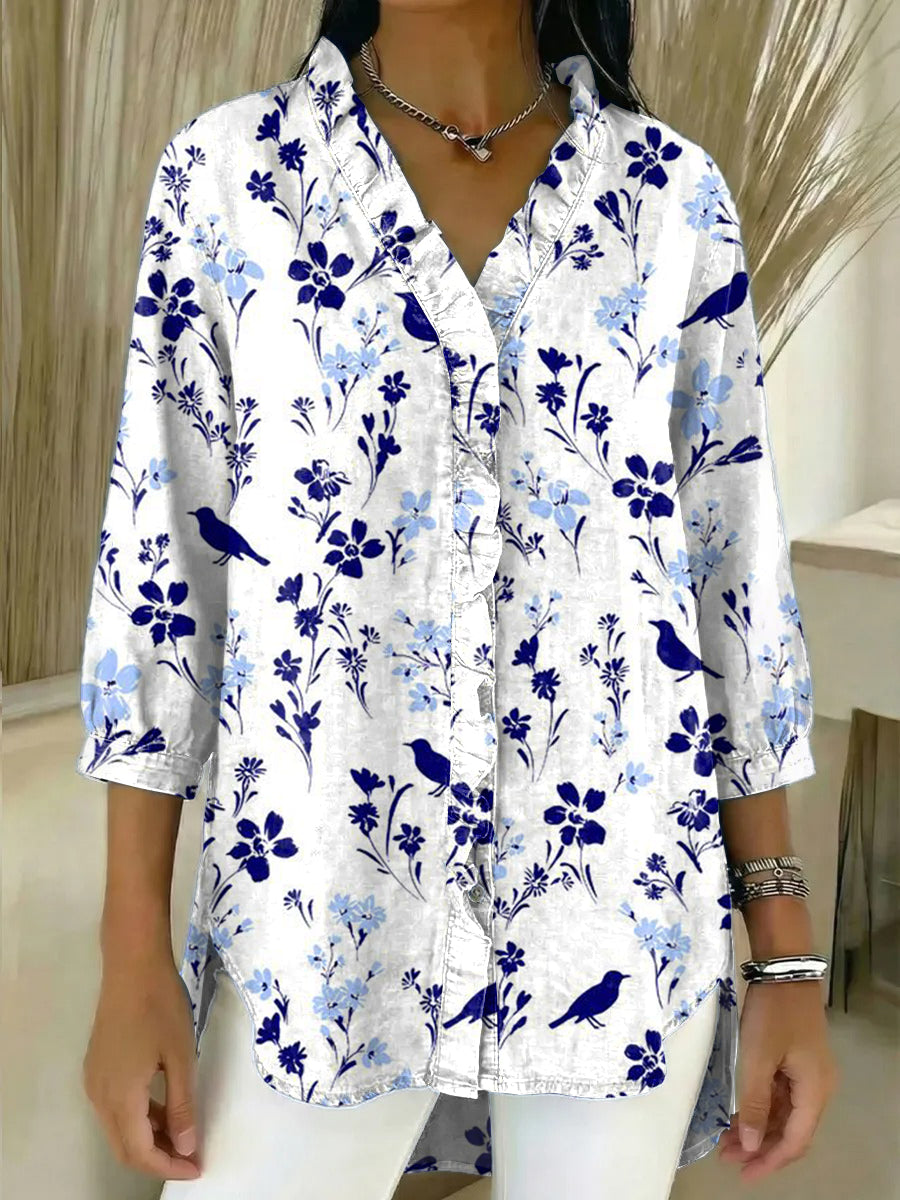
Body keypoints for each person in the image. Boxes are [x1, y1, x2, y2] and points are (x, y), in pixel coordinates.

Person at [77, 2, 838, 1198]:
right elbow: (160, 585)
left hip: (619, 920)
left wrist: (785, 959)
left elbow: (731, 582)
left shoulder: (670, 196)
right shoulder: (229, 177)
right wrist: (132, 961)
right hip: (319, 922)